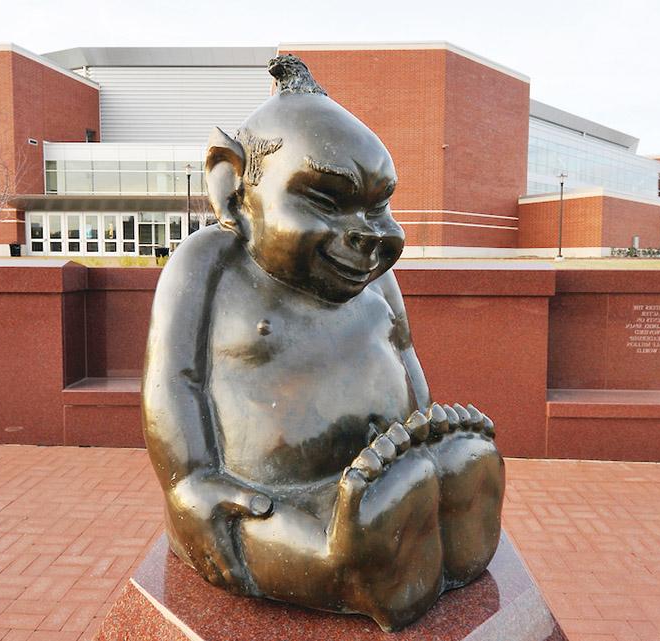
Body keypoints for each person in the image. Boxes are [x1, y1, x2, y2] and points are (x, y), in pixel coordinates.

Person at [142, 55, 504, 631]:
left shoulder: (377, 278)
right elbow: (173, 381)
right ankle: (365, 558)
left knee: (448, 468)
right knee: (307, 543)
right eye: (325, 201)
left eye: (379, 205)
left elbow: (402, 352)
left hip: (375, 469)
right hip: (265, 497)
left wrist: (421, 437)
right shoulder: (208, 265)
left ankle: (433, 510)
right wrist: (190, 480)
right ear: (232, 185)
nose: (370, 234)